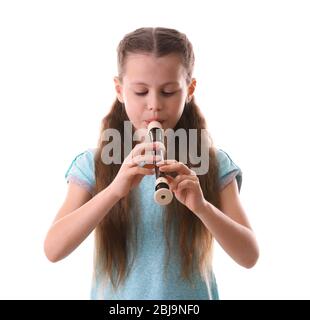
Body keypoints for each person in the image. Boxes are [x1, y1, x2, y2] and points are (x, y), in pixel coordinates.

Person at [44, 27, 259, 300]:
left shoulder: (212, 162)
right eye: (141, 92)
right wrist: (114, 191)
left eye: (168, 92)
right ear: (120, 90)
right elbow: (53, 249)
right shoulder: (93, 163)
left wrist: (202, 208)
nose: (154, 105)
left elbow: (249, 256)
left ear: (189, 89)